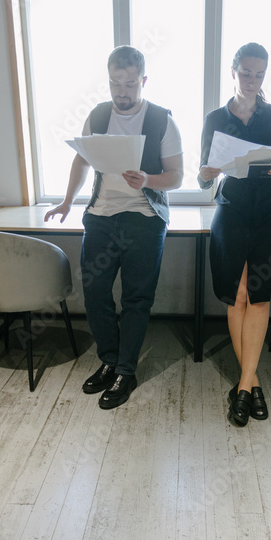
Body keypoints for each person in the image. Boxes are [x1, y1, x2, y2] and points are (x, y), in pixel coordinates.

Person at [45, 46, 183, 410]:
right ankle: (109, 360)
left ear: (143, 81)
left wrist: (148, 179)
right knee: (94, 292)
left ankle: (126, 371)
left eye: (130, 84)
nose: (122, 91)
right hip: (101, 216)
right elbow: (82, 160)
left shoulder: (162, 120)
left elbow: (176, 176)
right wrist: (67, 201)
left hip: (144, 218)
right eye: (115, 83)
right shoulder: (98, 115)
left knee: (136, 299)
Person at [198, 42, 271, 427]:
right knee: (237, 295)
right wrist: (206, 173)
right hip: (232, 210)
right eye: (246, 73)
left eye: (259, 75)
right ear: (234, 72)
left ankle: (242, 387)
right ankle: (251, 383)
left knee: (258, 296)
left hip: (268, 212)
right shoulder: (215, 118)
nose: (252, 81)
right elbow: (203, 176)